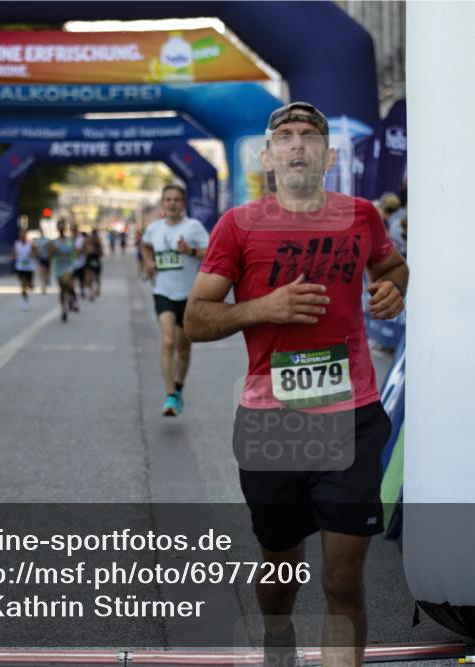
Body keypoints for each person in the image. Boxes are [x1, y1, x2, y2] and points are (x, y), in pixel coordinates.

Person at [184, 102, 408, 667]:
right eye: (285, 136)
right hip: (271, 421)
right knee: (281, 566)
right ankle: (277, 636)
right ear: (268, 156)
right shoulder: (237, 225)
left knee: (343, 578)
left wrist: (393, 289)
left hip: (350, 413)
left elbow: (393, 267)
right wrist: (266, 307)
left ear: (329, 156)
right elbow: (196, 319)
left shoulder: (362, 217)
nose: (298, 143)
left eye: (310, 135)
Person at [141, 184, 209, 417]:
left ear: (183, 204)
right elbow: (144, 245)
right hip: (163, 292)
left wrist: (190, 251)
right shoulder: (154, 229)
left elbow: (210, 253)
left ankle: (179, 388)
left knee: (184, 349)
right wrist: (148, 262)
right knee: (168, 341)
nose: (172, 203)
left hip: (189, 296)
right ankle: (170, 396)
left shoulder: (194, 227)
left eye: (177, 199)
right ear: (162, 204)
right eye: (168, 199)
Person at [51, 220, 77, 323]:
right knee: (62, 289)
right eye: (60, 228)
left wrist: (75, 264)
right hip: (59, 268)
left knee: (68, 282)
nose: (61, 230)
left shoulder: (69, 241)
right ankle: (64, 310)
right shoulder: (54, 242)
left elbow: (74, 253)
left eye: (63, 228)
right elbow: (50, 255)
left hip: (69, 266)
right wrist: (54, 250)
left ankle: (71, 296)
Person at [14, 228, 36, 310]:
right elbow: (14, 254)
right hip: (20, 267)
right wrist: (15, 256)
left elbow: (36, 253)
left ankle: (30, 284)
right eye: (21, 235)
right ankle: (25, 301)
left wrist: (32, 254)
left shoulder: (30, 244)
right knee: (23, 284)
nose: (22, 236)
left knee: (30, 286)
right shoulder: (17, 244)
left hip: (29, 268)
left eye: (24, 234)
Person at [35, 228, 52, 294]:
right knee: (42, 273)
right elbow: (36, 249)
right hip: (41, 258)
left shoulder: (47, 240)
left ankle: (47, 280)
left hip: (47, 258)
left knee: (47, 272)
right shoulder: (38, 241)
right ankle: (43, 288)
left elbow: (50, 248)